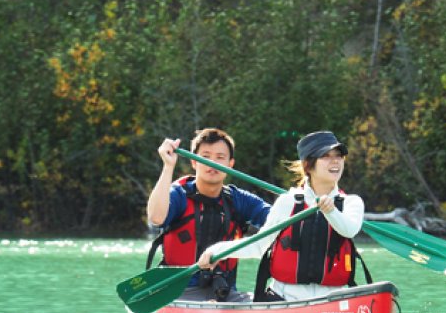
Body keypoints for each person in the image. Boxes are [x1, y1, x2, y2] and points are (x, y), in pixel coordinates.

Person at [197, 131, 368, 302]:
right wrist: (217, 251)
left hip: (332, 302)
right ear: (308, 165)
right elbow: (259, 246)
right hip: (285, 300)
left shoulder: (351, 202)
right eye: (326, 156)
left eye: (339, 155)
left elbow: (349, 230)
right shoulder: (288, 202)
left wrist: (331, 211)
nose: (335, 161)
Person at [147, 128, 271, 302]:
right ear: (194, 162)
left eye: (220, 158)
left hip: (224, 294)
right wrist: (168, 166)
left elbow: (279, 219)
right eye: (205, 157)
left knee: (261, 305)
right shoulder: (179, 194)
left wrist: (310, 202)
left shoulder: (239, 200)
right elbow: (156, 218)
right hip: (178, 292)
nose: (212, 163)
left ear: (230, 164)